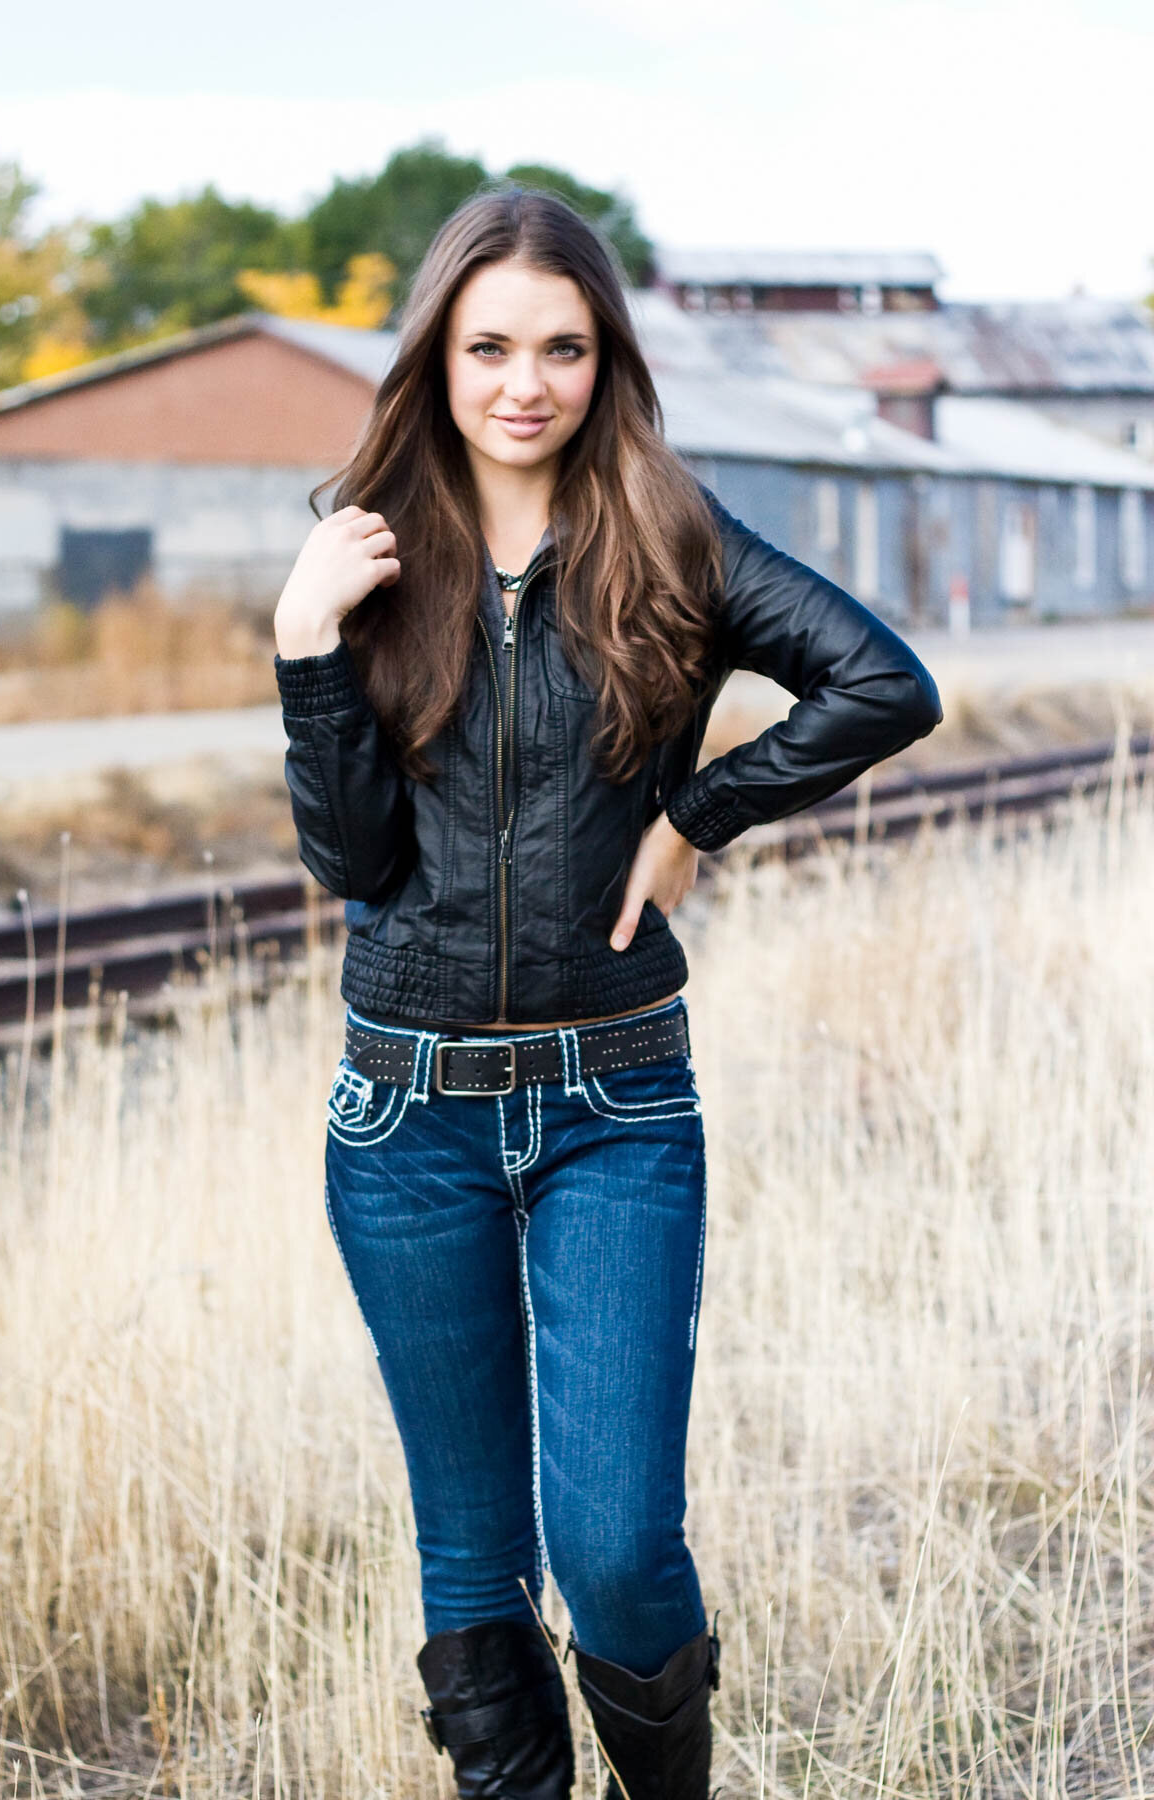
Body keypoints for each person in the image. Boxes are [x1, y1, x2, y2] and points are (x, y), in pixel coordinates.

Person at [272, 185, 943, 1800]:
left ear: (604, 359)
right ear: (435, 354)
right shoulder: (364, 549)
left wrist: (695, 813)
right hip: (407, 1115)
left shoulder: (671, 533)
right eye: (488, 344)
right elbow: (349, 856)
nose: (524, 382)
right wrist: (306, 648)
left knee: (623, 1551)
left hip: (617, 1101)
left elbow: (885, 684)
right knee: (476, 1568)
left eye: (562, 348)